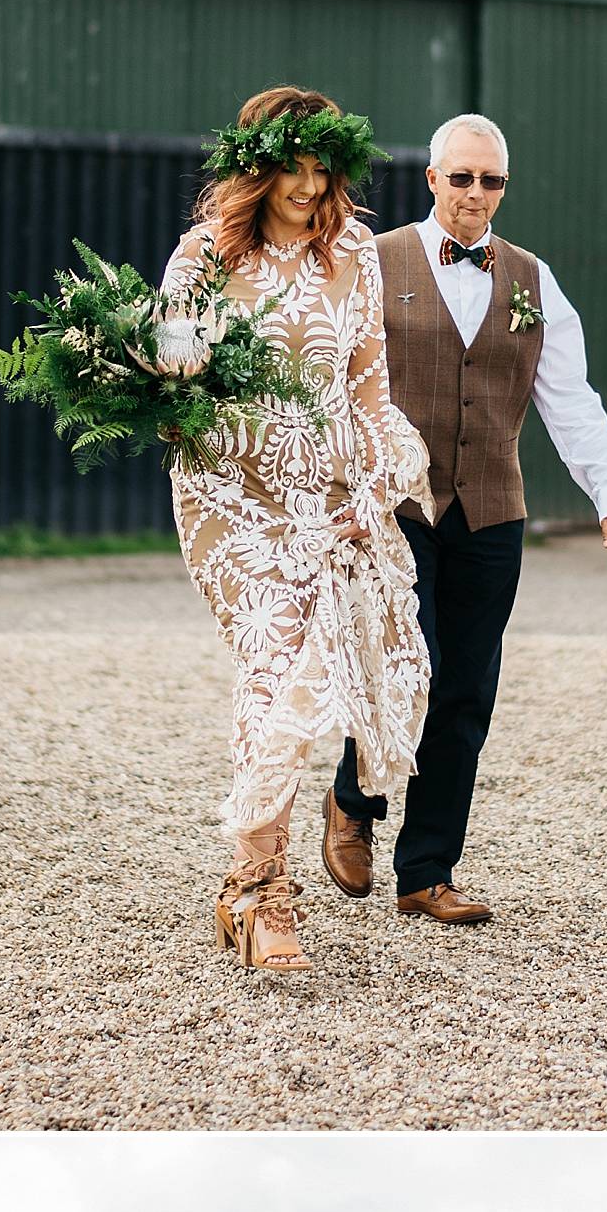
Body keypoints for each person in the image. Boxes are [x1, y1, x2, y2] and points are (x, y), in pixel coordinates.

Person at [328, 115, 607, 926]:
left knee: (467, 690)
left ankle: (426, 871)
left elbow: (569, 398)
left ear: (504, 187)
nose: (475, 194)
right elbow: (329, 371)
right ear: (431, 179)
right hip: (395, 503)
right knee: (403, 662)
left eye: (490, 181)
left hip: (492, 510)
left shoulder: (533, 281)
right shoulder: (373, 260)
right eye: (460, 177)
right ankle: (351, 799)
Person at [162, 89, 433, 974]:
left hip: (325, 501)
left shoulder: (354, 249)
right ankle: (265, 890)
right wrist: (168, 371)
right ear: (258, 163)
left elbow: (368, 391)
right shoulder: (204, 255)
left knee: (296, 672)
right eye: (296, 165)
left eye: (326, 169)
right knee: (277, 655)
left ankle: (249, 887)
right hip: (229, 500)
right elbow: (170, 386)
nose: (311, 185)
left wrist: (379, 482)